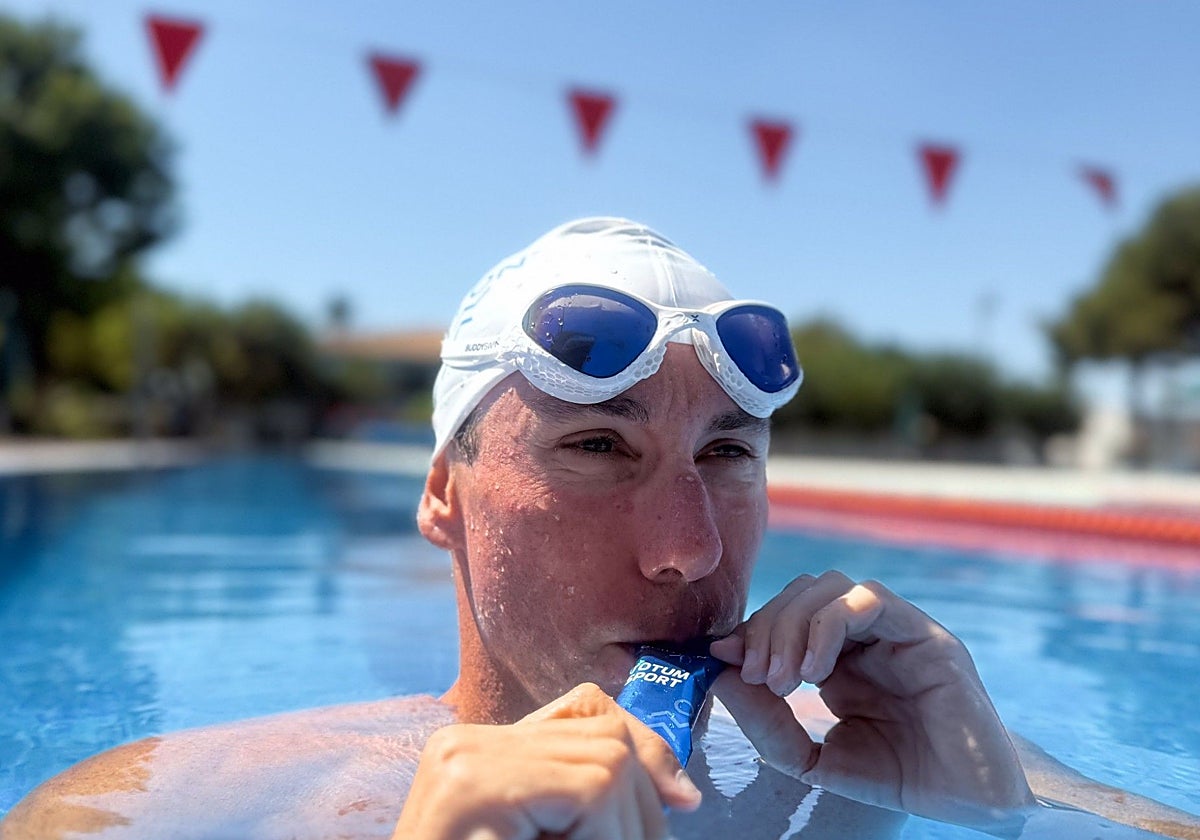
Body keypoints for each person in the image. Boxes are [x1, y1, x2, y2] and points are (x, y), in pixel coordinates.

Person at [3, 218, 1198, 840]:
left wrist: (984, 822)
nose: (689, 549)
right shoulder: (177, 806)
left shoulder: (908, 747)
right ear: (442, 495)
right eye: (595, 447)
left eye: (727, 454)